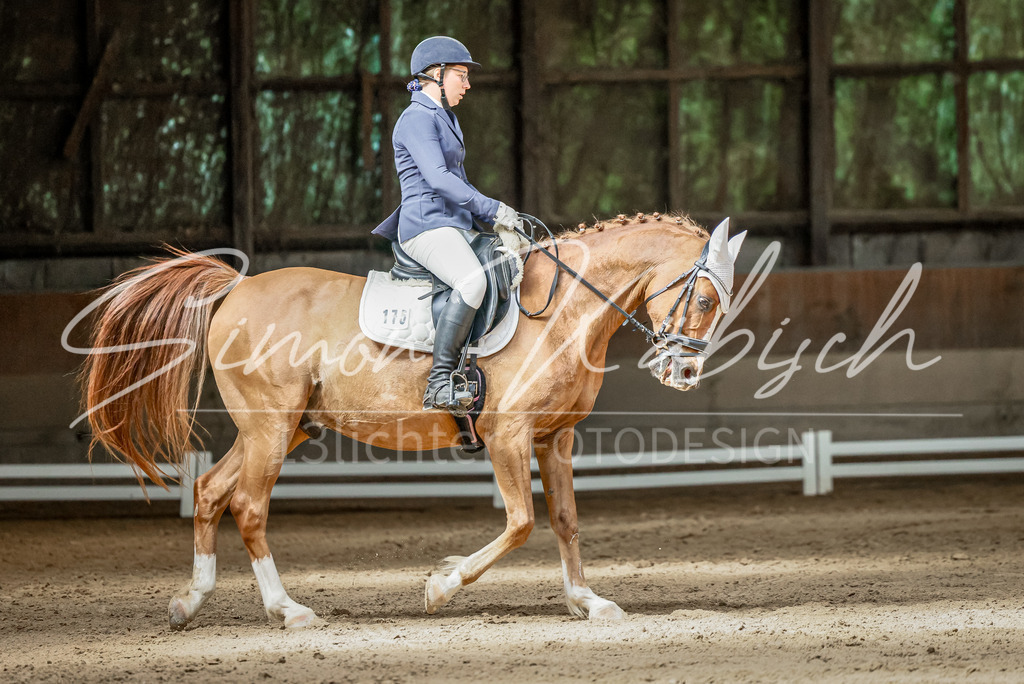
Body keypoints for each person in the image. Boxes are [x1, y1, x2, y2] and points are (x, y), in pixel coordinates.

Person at [372, 36, 523, 413]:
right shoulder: (416, 118)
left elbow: (461, 181)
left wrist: (495, 219)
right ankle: (439, 383)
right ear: (436, 74)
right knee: (472, 281)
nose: (467, 84)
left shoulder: (445, 117)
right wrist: (492, 208)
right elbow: (439, 179)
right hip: (426, 227)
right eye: (461, 75)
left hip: (452, 225)